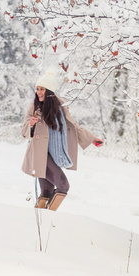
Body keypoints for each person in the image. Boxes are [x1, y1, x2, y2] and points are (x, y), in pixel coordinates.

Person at [21, 68, 103, 211]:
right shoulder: (34, 108)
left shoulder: (60, 108)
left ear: (50, 91)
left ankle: (40, 221)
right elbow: (24, 131)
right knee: (63, 185)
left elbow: (72, 126)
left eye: (42, 89)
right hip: (40, 156)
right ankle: (47, 217)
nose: (38, 92)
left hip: (54, 153)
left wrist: (91, 139)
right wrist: (31, 125)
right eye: (37, 89)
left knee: (47, 191)